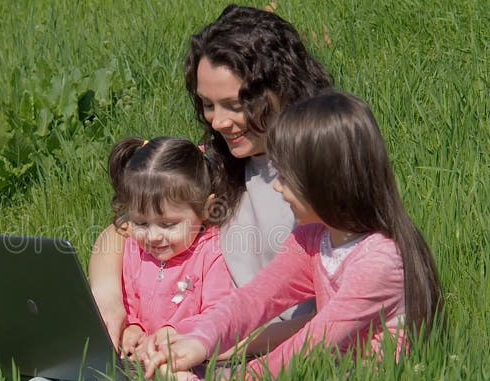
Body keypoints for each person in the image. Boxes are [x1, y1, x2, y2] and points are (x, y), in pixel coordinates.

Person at [142, 92, 444, 381]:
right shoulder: (314, 239)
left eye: (285, 178)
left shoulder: (379, 261)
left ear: (323, 182)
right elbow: (255, 299)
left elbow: (311, 346)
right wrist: (199, 341)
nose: (277, 188)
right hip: (325, 378)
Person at [90, 4, 333, 357]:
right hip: (208, 345)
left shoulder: (323, 175)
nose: (218, 121)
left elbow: (336, 309)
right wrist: (109, 302)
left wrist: (218, 344)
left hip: (261, 354)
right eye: (207, 105)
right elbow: (118, 232)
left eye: (234, 105)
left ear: (283, 88)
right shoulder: (217, 165)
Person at [1, 136, 236, 381]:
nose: (153, 236)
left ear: (206, 209)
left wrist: (174, 332)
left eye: (168, 224)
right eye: (141, 223)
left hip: (172, 371)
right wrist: (132, 328)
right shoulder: (133, 249)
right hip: (125, 365)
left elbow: (221, 314)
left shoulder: (211, 253)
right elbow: (128, 302)